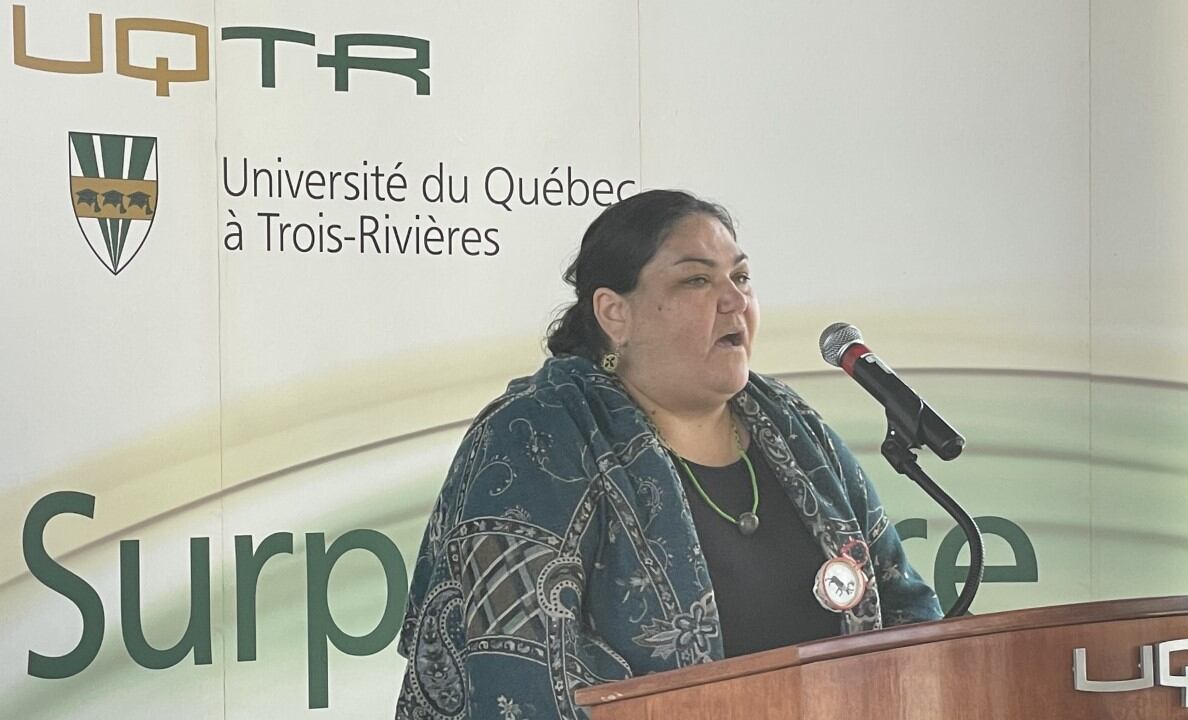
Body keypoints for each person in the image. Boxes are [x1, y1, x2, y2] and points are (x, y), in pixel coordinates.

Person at [395, 190, 942, 720]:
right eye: (697, 280)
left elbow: (906, 609)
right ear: (614, 314)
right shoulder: (538, 438)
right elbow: (521, 679)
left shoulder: (795, 429)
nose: (735, 301)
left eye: (741, 277)